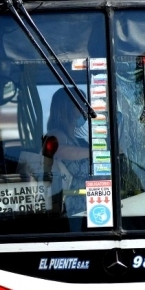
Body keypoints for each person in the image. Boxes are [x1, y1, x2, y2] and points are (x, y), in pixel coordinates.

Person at [45, 87, 91, 215]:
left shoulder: (80, 141)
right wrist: (95, 153)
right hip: (67, 209)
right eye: (81, 104)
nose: (86, 108)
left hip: (86, 206)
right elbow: (57, 150)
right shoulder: (55, 134)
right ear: (67, 108)